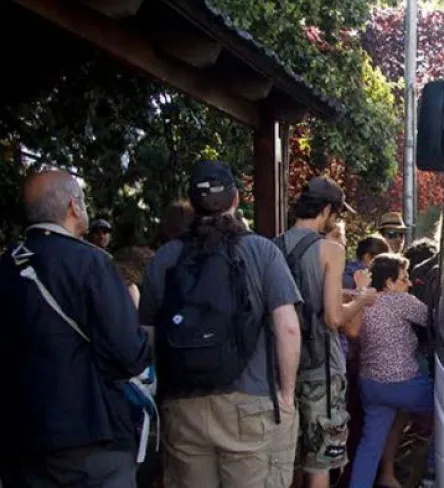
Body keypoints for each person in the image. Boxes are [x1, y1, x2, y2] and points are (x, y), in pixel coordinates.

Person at [139, 160, 302, 488]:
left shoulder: (165, 258)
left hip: (183, 405)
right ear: (236, 198)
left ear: (192, 204)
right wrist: (286, 394)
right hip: (250, 405)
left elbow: (147, 334)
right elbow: (288, 327)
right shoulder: (261, 251)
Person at [0, 170, 152, 487]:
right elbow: (128, 354)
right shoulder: (90, 263)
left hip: (19, 437)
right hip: (89, 434)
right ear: (74, 206)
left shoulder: (6, 267)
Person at [274, 177, 378, 488]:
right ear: (327, 210)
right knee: (319, 459)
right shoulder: (330, 250)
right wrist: (362, 299)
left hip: (281, 366)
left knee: (287, 456)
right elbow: (333, 318)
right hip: (321, 366)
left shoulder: (272, 246)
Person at [350, 254, 434, 488]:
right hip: (404, 383)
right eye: (404, 279)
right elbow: (434, 320)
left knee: (370, 445)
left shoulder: (364, 300)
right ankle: (432, 472)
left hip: (371, 385)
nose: (409, 284)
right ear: (388, 283)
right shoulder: (400, 301)